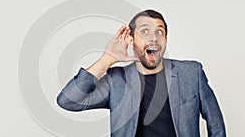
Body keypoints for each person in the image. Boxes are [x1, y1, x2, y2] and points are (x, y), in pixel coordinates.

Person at [57, 9, 226, 137]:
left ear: (165, 39)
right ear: (131, 40)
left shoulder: (191, 73)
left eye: (159, 32)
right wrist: (107, 59)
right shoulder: (116, 80)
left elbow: (216, 125)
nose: (153, 38)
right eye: (145, 31)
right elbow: (68, 101)